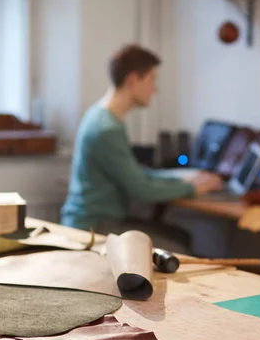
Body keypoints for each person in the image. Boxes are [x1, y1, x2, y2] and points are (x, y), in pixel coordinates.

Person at [61, 44, 222, 246]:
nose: (155, 88)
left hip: (94, 221)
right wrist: (192, 188)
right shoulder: (107, 128)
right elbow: (141, 189)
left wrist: (182, 176)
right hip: (93, 228)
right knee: (180, 247)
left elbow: (135, 175)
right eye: (152, 79)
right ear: (133, 79)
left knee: (181, 237)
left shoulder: (100, 115)